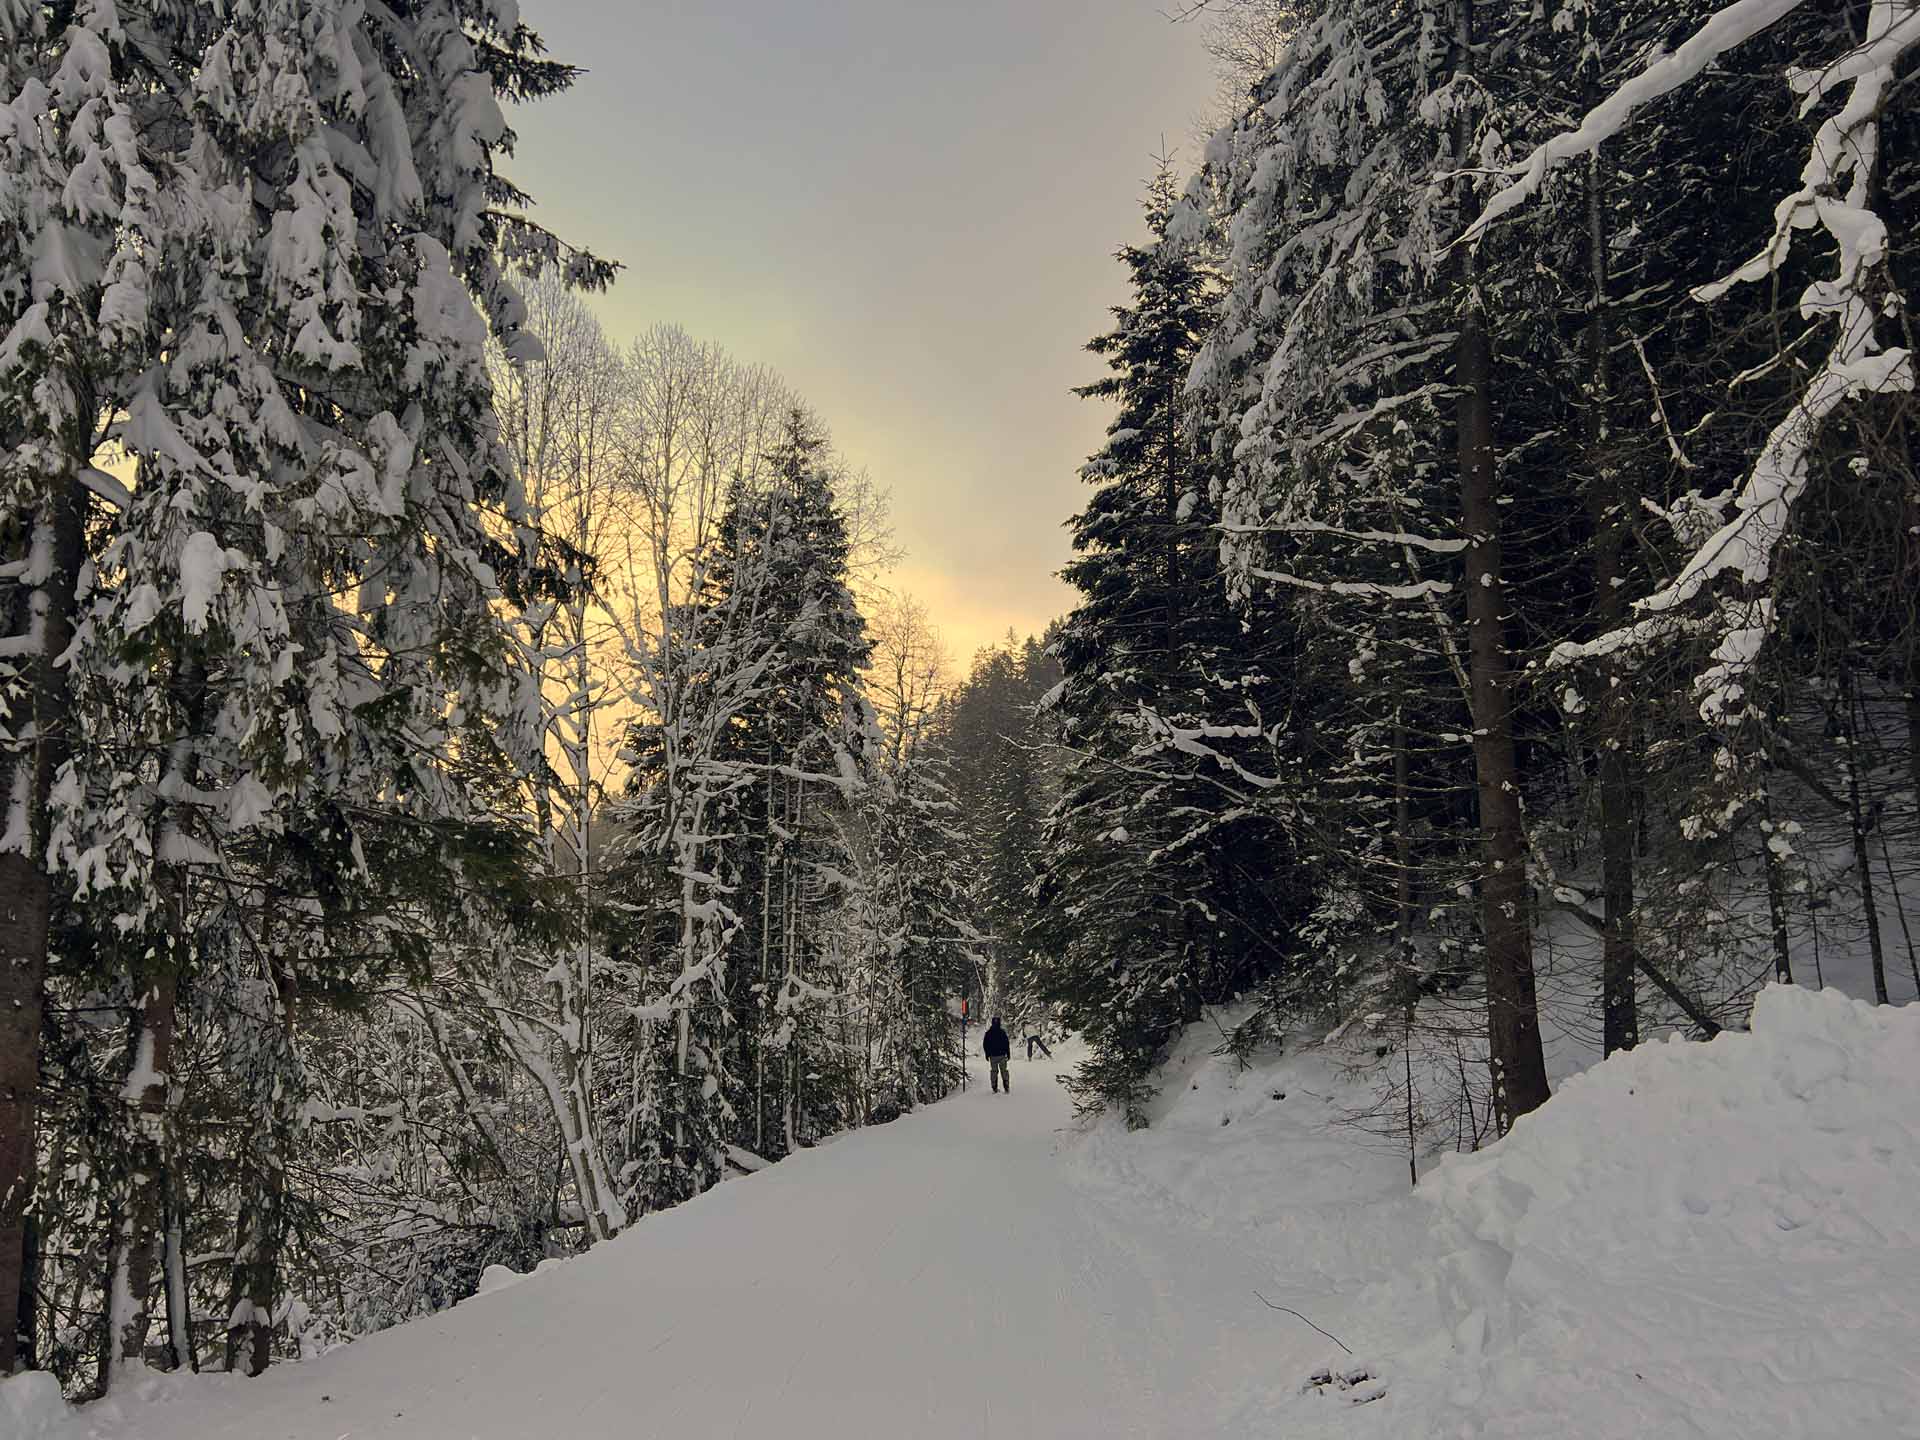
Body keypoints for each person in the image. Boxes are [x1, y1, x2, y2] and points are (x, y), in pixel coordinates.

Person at [983, 1015, 1011, 1093]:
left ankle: (994, 1087)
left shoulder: (988, 1033)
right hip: (1002, 1055)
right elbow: (1006, 1043)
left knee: (994, 1071)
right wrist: (1008, 1053)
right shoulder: (1002, 1032)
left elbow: (985, 1044)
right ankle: (1006, 1087)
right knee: (1004, 1071)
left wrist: (987, 1054)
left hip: (993, 1056)